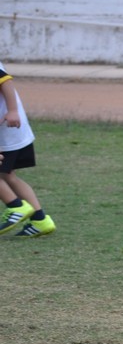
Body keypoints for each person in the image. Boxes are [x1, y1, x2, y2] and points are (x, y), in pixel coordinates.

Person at [0, 62, 56, 237]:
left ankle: (16, 206)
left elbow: (5, 80)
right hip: (10, 131)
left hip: (8, 128)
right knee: (7, 176)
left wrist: (12, 110)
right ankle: (40, 220)